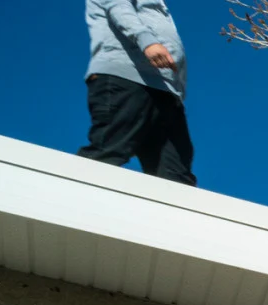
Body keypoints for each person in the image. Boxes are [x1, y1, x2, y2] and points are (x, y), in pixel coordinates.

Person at [80, 0, 196, 184]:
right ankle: (66, 202)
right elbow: (118, 5)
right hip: (126, 77)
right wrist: (146, 41)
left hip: (165, 91)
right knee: (107, 153)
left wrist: (178, 89)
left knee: (176, 176)